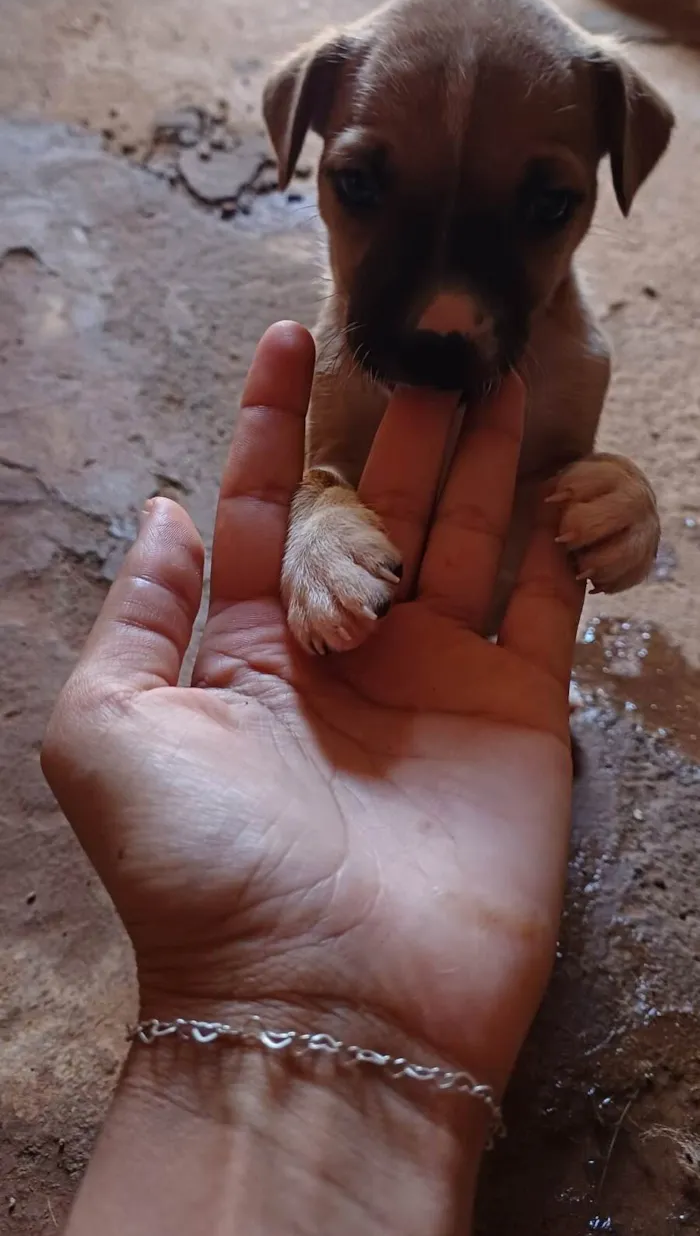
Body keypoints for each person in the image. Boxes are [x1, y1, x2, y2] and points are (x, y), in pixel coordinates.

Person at [43, 320, 583, 1236]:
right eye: (362, 183)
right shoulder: (343, 360)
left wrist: (622, 505)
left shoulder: (573, 363)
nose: (443, 316)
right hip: (437, 761)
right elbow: (320, 478)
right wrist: (318, 507)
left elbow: (568, 529)